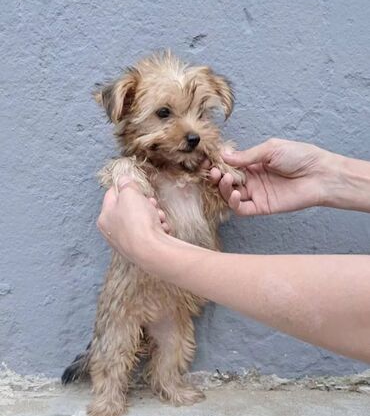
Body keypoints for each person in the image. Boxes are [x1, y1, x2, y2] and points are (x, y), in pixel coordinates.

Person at [97, 138, 370, 363]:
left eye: (202, 112)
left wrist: (149, 247)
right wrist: (327, 176)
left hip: (177, 294)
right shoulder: (135, 167)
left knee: (175, 342)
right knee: (116, 340)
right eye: (164, 113)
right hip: (134, 291)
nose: (192, 131)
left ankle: (169, 386)